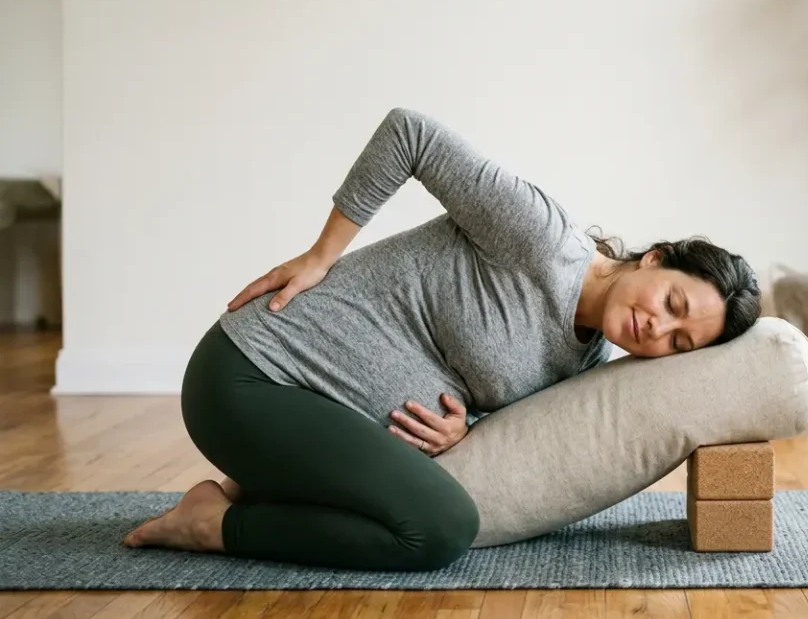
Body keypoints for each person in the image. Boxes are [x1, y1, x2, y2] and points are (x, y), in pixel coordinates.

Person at [121, 107, 761, 571]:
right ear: (654, 260)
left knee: (428, 517)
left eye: (679, 343)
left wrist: (468, 426)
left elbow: (476, 379)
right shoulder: (540, 237)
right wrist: (321, 254)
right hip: (253, 374)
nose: (658, 328)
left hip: (317, 412)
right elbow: (410, 134)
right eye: (673, 303)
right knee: (438, 529)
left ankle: (247, 494)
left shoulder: (585, 358)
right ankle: (217, 527)